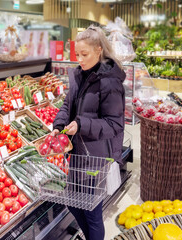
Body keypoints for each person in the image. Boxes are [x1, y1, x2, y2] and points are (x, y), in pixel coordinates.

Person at [51, 25, 126, 240]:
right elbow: (68, 105)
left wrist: (82, 124)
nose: (80, 59)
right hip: (77, 153)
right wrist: (59, 124)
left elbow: (115, 124)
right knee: (73, 204)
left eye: (84, 54)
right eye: (77, 54)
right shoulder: (78, 75)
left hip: (96, 157)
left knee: (92, 212)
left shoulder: (110, 82)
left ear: (99, 50)